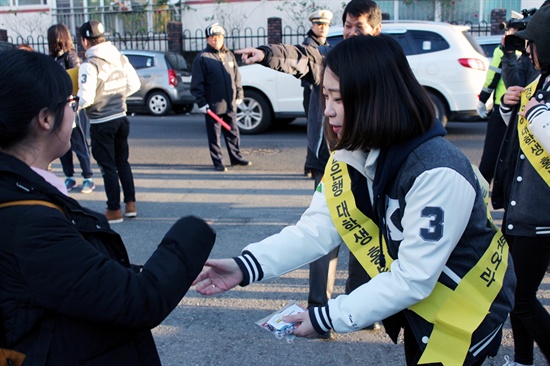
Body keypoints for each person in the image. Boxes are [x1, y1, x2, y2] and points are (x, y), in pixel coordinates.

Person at [194, 35, 515, 365]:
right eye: (325, 95)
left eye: (339, 98)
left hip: (467, 315)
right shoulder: (353, 153)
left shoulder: (437, 171)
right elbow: (315, 230)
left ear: (378, 98)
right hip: (421, 312)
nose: (328, 110)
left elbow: (413, 278)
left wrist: (326, 317)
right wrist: (244, 266)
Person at [0, 49, 216, 365]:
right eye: (70, 104)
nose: (74, 113)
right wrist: (193, 230)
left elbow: (82, 279)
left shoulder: (20, 192)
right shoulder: (28, 221)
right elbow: (140, 300)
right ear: (46, 119)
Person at [236, 0, 383, 326]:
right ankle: (319, 308)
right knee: (321, 233)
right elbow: (305, 58)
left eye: (359, 27)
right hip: (331, 163)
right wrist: (267, 54)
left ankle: (365, 306)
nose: (351, 32)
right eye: (347, 25)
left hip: (374, 168)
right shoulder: (332, 58)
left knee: (368, 237)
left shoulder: (385, 67)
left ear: (376, 29)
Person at [493, 6, 550, 365]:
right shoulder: (540, 81)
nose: (527, 51)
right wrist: (505, 106)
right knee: (513, 290)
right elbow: (516, 140)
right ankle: (522, 359)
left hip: (541, 208)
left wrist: (540, 115)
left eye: (532, 44)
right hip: (520, 203)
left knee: (521, 297)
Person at [78, 20, 140, 223]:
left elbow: (85, 97)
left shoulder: (90, 64)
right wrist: (117, 97)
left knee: (107, 167)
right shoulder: (119, 58)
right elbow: (134, 84)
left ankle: (114, 209)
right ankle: (130, 205)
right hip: (121, 117)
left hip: (101, 120)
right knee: (122, 162)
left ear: (85, 41)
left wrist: (74, 105)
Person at [190, 22, 251, 172]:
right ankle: (218, 162)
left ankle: (236, 158)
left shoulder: (228, 55)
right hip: (213, 106)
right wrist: (201, 102)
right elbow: (197, 83)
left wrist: (239, 94)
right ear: (207, 39)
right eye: (212, 37)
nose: (215, 40)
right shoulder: (202, 58)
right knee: (215, 135)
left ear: (223, 38)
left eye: (218, 37)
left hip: (230, 103)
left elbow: (237, 77)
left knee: (233, 132)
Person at [48, 23, 95, 194]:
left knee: (79, 142)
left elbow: (75, 83)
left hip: (73, 107)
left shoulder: (71, 57)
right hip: (58, 107)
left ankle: (88, 178)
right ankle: (69, 177)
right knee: (62, 144)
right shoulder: (53, 59)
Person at [302, 9, 332, 179]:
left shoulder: (326, 45)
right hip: (312, 92)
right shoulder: (309, 45)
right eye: (319, 24)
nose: (322, 28)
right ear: (312, 25)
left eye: (325, 25)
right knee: (314, 127)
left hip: (324, 91)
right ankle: (312, 164)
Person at [476, 38, 509, 183]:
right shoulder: (533, 48)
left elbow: (492, 77)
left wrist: (483, 99)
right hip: (524, 108)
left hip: (502, 107)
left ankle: (481, 192)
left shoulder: (504, 49)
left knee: (491, 153)